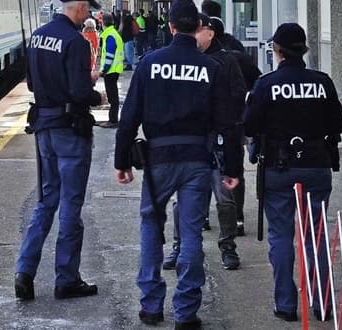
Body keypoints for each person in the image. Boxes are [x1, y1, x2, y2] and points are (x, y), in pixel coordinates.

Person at [113, 0, 241, 328]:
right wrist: (232, 169)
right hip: (197, 160)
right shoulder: (210, 68)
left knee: (150, 228)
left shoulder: (149, 64)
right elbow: (229, 123)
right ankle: (186, 311)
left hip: (157, 159)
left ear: (170, 26)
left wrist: (122, 160)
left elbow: (129, 118)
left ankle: (151, 306)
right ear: (197, 28)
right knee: (191, 232)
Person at [243, 23, 342, 322]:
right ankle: (322, 303)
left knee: (281, 236)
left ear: (277, 51)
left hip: (278, 168)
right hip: (315, 166)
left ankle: (286, 304)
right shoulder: (322, 82)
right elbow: (337, 124)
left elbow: (249, 126)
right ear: (305, 49)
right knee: (316, 235)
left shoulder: (266, 84)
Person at [15, 0, 107, 301]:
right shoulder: (75, 42)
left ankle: (24, 273)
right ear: (79, 6)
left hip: (44, 128)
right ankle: (66, 279)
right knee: (70, 206)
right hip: (70, 131)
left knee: (45, 201)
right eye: (88, 10)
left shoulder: (38, 36)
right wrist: (97, 96)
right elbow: (80, 92)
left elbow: (31, 83)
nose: (89, 15)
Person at [162, 13, 246, 271]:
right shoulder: (186, 61)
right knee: (181, 201)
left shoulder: (227, 61)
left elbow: (237, 97)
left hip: (217, 141)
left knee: (224, 199)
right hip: (190, 142)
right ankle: (178, 246)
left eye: (198, 31)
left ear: (209, 33)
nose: (194, 36)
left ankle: (228, 246)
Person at [208, 16, 262, 236]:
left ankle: (225, 217)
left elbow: (257, 82)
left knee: (219, 170)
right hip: (233, 123)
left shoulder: (224, 58)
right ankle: (236, 217)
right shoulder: (237, 54)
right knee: (233, 168)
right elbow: (258, 81)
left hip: (224, 124)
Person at [98, 13, 124, 128]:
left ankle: (113, 120)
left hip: (111, 70)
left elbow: (109, 55)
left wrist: (104, 70)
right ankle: (113, 119)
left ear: (103, 23)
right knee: (113, 95)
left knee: (112, 96)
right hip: (114, 69)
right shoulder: (113, 34)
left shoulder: (110, 35)